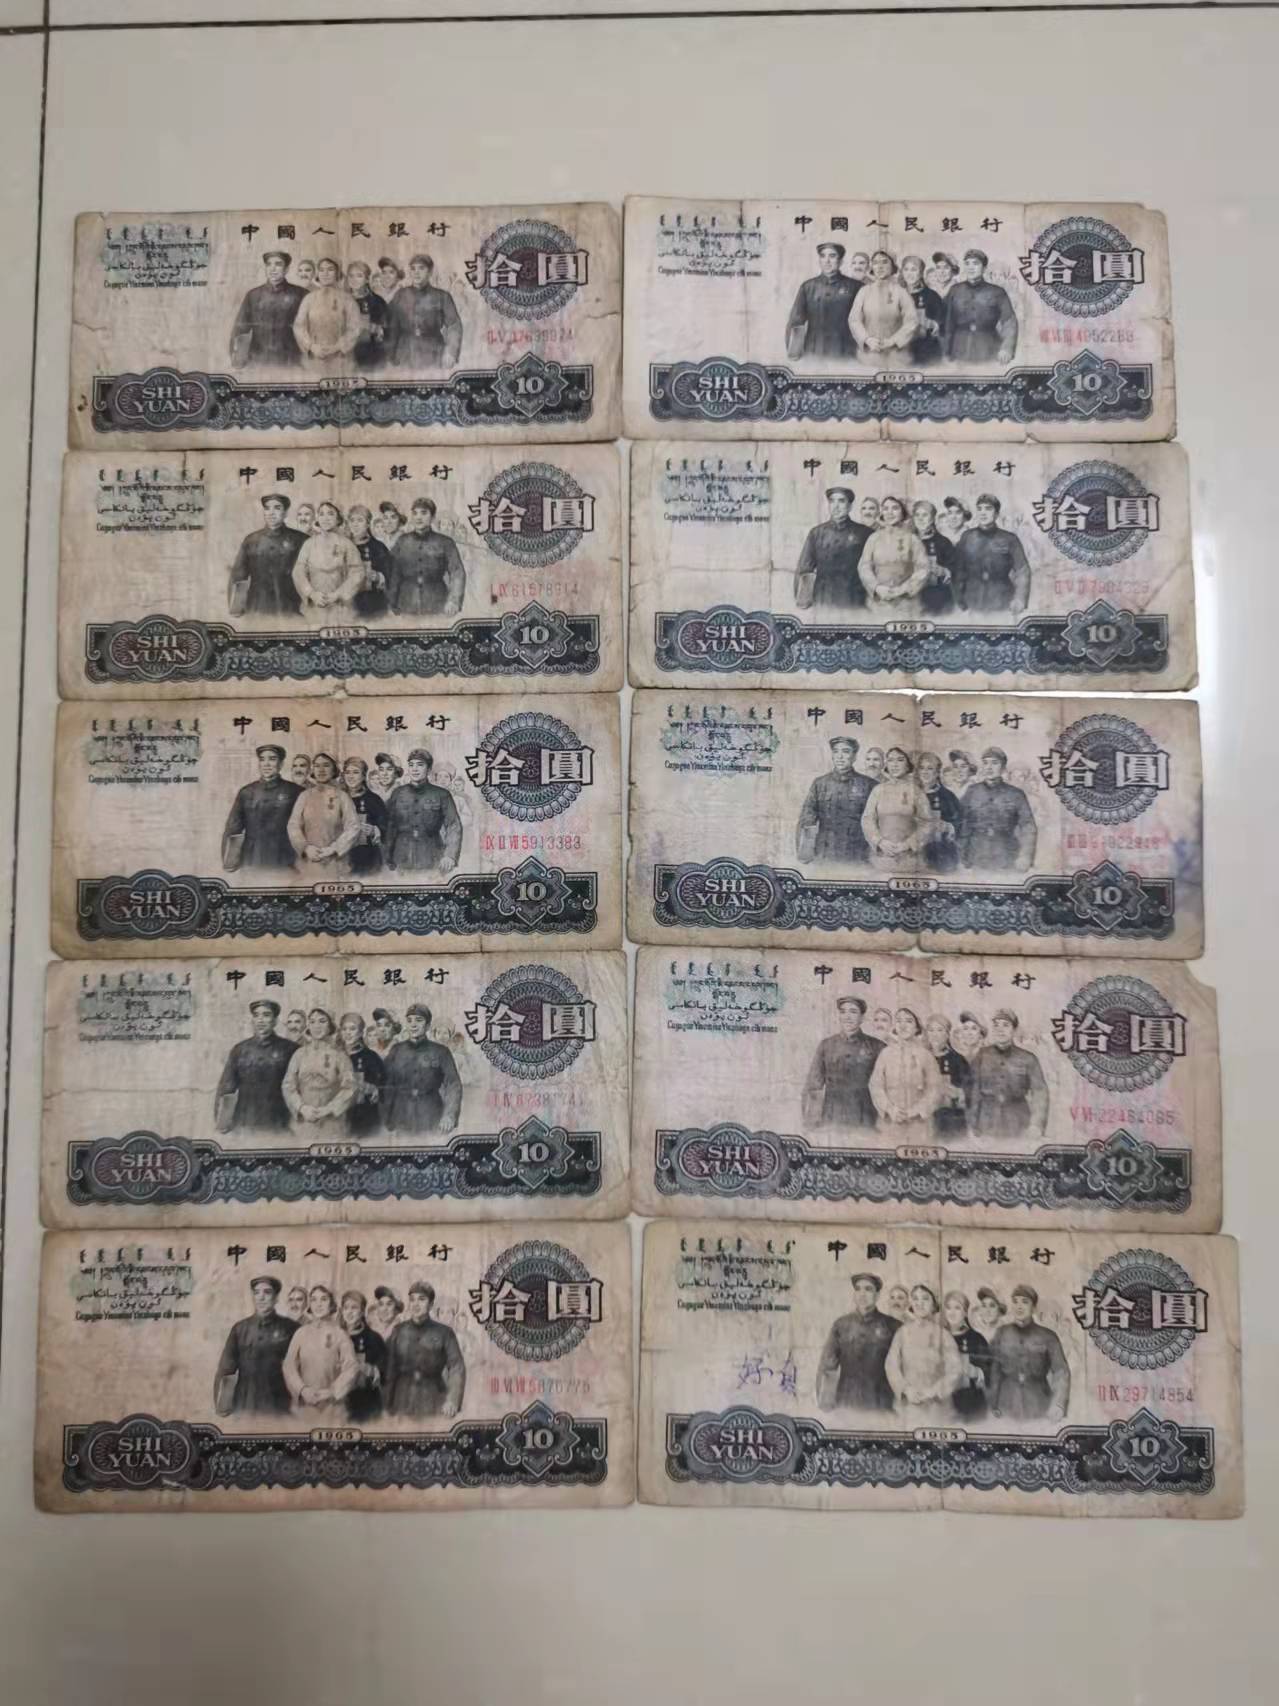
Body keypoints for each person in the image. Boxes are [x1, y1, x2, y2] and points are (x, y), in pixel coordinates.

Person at [213, 1275, 298, 1417]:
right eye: (257, 1293)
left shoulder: (291, 1328)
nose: (261, 1297)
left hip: (279, 1405)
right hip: (245, 1403)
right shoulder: (240, 1328)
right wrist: (221, 1404)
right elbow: (225, 1369)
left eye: (267, 1292)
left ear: (276, 1298)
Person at [884, 1284, 966, 1424]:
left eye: (925, 1298)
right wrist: (906, 1389)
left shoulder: (944, 1335)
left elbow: (955, 1369)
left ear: (934, 1304)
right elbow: (891, 1365)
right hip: (908, 1406)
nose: (919, 1303)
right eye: (915, 1298)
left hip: (937, 1408)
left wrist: (933, 1391)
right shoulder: (902, 1333)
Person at [801, 995, 885, 1131]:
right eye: (843, 1012)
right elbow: (813, 1086)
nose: (847, 1017)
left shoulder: (878, 1046)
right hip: (832, 1116)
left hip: (866, 1117)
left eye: (853, 1012)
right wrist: (811, 1122)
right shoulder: (826, 1045)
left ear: (862, 1017)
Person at [383, 1281, 466, 1419]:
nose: (415, 1304)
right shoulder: (398, 1331)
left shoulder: (445, 1333)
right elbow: (389, 1369)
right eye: (412, 1300)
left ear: (431, 1304)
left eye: (421, 1299)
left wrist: (452, 1400)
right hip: (401, 1399)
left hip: (434, 1398)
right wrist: (385, 1404)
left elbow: (456, 1367)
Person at [987, 1285, 1070, 1422]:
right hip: (1006, 1402)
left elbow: (1061, 1371)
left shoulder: (1048, 1336)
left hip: (1039, 1402)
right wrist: (992, 1404)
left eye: (1025, 1302)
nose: (1019, 1306)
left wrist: (1058, 1404)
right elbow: (994, 1371)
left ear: (1034, 1308)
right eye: (1015, 1302)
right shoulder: (1001, 1333)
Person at [214, 998, 298, 1133]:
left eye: (266, 1015)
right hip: (245, 1121)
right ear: (252, 1020)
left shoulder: (290, 1049)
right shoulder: (240, 1049)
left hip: (279, 1121)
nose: (260, 1020)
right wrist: (221, 1122)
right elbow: (226, 1088)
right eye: (256, 1015)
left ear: (275, 1021)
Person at [816, 1273, 898, 1413]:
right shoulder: (841, 1324)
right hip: (847, 1400)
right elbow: (827, 1366)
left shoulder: (893, 1325)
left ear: (877, 1295)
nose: (862, 1294)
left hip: (882, 1402)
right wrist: (826, 1403)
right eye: (858, 1289)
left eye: (868, 1289)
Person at [967, 1009, 1050, 1141]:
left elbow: (1040, 1092)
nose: (1000, 1030)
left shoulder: (1028, 1058)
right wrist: (971, 1126)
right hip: (986, 1122)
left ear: (1014, 1030)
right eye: (996, 1025)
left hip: (1018, 1121)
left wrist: (1036, 1125)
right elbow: (973, 1092)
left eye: (1005, 1025)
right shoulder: (981, 1056)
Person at [381, 1003, 463, 1137]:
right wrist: (386, 1118)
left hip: (431, 1114)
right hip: (401, 1115)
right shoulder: (396, 1050)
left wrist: (449, 1115)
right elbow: (385, 1084)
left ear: (428, 1025)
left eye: (419, 1020)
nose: (413, 1025)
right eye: (409, 1021)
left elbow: (453, 1084)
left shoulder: (441, 1051)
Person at [282, 1284, 360, 1418]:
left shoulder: (340, 1334)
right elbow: (289, 1366)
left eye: (324, 1299)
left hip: (332, 1407)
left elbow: (351, 1367)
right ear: (309, 1305)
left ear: (331, 1304)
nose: (318, 1304)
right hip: (305, 1406)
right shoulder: (301, 1333)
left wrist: (332, 1391)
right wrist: (302, 1389)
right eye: (314, 1299)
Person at [795, 735, 875, 865]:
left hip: (858, 854)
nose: (840, 756)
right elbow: (807, 819)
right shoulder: (820, 783)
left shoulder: (869, 784)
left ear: (854, 756)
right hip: (825, 853)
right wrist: (805, 853)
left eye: (846, 751)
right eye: (836, 751)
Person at [222, 744, 302, 873]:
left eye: (272, 759)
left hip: (284, 859)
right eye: (262, 759)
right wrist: (228, 862)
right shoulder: (246, 792)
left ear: (281, 764)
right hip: (252, 858)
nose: (266, 764)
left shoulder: (295, 791)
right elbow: (232, 828)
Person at [281, 1008, 358, 1141]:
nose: (317, 1026)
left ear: (330, 1026)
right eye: (312, 1022)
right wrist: (302, 1108)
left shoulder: (340, 1056)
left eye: (322, 1021)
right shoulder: (299, 1054)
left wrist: (327, 1110)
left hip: (332, 1123)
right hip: (304, 1122)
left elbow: (350, 1088)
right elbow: (288, 1086)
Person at [381, 749, 462, 874]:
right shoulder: (398, 793)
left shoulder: (442, 794)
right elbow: (390, 827)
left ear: (428, 770)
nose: (415, 769)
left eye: (420, 765)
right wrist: (387, 857)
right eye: (411, 765)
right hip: (400, 858)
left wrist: (450, 855)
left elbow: (453, 825)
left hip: (432, 857)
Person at [792, 485, 872, 611]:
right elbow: (804, 569)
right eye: (832, 501)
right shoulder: (817, 533)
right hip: (824, 597)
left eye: (841, 501)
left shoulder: (865, 533)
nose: (836, 506)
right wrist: (802, 599)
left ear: (850, 506)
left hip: (854, 598)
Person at [956, 747, 1037, 871]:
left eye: (994, 763)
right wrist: (960, 856)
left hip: (1006, 855)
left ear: (1003, 767)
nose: (989, 767)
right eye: (985, 763)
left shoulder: (1016, 794)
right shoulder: (972, 791)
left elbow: (1028, 827)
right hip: (975, 856)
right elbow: (960, 823)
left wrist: (1025, 856)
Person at [950, 494, 1032, 614]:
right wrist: (958, 601)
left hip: (1002, 600)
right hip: (971, 600)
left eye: (988, 509)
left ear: (997, 514)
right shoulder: (967, 537)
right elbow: (958, 571)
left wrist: (1020, 599)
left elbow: (1022, 570)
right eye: (979, 509)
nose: (983, 513)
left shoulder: (1010, 539)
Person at [868, 1007, 944, 1136]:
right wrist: (891, 1110)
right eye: (899, 1021)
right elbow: (876, 1086)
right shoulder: (885, 1054)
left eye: (908, 1021)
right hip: (890, 1123)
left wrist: (915, 1111)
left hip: (919, 1124)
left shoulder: (926, 1055)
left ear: (917, 1028)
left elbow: (935, 1089)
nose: (903, 1026)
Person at [228, 493, 306, 617]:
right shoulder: (251, 540)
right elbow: (238, 576)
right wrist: (236, 608)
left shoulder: (301, 539)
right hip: (257, 607)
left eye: (277, 508)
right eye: (267, 508)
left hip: (291, 608)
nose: (271, 513)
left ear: (285, 513)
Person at [386, 498, 466, 616]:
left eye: (424, 513)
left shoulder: (446, 542)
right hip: (405, 604)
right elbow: (393, 574)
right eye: (415, 513)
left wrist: (453, 601)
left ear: (432, 517)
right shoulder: (402, 541)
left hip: (437, 604)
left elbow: (457, 572)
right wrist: (390, 604)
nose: (418, 517)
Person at [287, 751, 362, 878]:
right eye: (317, 765)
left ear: (334, 770)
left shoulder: (342, 796)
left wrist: (333, 849)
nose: (321, 770)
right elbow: (293, 825)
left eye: (326, 765)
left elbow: (353, 826)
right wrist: (305, 848)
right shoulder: (304, 796)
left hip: (335, 864)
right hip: (308, 863)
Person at [228, 250, 307, 368]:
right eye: (269, 264)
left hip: (291, 361)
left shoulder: (301, 294)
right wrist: (235, 357)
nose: (272, 268)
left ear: (286, 269)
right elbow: (239, 329)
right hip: (258, 361)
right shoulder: (253, 295)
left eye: (278, 264)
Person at [291, 501, 365, 622]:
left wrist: (338, 594)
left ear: (338, 518)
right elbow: (298, 571)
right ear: (317, 518)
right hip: (315, 605)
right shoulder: (309, 544)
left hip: (340, 606)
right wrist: (311, 593)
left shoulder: (347, 544)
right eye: (321, 514)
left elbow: (357, 572)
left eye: (330, 514)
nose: (325, 518)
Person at [858, 494, 932, 615]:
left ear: (903, 512)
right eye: (886, 508)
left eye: (895, 508)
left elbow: (923, 568)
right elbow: (864, 566)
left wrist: (902, 590)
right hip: (878, 603)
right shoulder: (873, 538)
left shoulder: (912, 539)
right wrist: (877, 587)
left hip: (906, 604)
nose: (889, 512)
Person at [785, 241, 860, 360]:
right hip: (814, 350)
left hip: (846, 351)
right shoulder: (808, 287)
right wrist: (794, 353)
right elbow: (796, 322)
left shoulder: (855, 286)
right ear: (819, 260)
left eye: (832, 256)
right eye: (823, 256)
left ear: (840, 261)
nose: (827, 261)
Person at [386, 253, 462, 369]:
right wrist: (389, 355)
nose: (416, 272)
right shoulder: (400, 295)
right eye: (413, 269)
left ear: (430, 272)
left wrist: (451, 352)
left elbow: (454, 325)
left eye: (421, 268)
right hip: (404, 353)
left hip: (433, 352)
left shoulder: (442, 296)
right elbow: (392, 327)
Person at [861, 746, 933, 870]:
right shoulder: (878, 790)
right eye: (890, 760)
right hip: (881, 857)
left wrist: (908, 844)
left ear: (908, 765)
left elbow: (927, 823)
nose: (894, 765)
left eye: (900, 760)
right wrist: (880, 842)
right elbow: (867, 819)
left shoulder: (916, 791)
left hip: (910, 858)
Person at [943, 247, 1018, 364]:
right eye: (967, 263)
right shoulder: (955, 290)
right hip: (958, 349)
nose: (971, 267)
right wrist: (945, 352)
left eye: (975, 263)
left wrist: (1006, 348)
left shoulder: (997, 292)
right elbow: (947, 322)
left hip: (988, 348)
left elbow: (1009, 321)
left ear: (984, 268)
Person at [291, 255, 362, 373]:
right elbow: (299, 326)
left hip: (341, 359)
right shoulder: (309, 299)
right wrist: (311, 346)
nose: (325, 273)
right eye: (322, 270)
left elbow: (354, 328)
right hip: (314, 359)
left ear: (337, 273)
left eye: (330, 269)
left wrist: (337, 347)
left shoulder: (348, 300)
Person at [850, 251, 918, 368]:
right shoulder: (864, 291)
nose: (880, 267)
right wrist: (867, 339)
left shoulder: (901, 292)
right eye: (876, 263)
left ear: (893, 266)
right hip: (869, 354)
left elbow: (912, 321)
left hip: (896, 355)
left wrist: (893, 341)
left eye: (884, 262)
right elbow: (854, 320)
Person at [339, 1290, 387, 1425]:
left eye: (354, 1308)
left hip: (365, 1403)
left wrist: (372, 1370)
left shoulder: (374, 1338)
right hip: (338, 1403)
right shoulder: (334, 1336)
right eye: (346, 1308)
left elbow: (385, 1369)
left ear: (362, 1312)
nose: (349, 1312)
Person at [943, 1291, 992, 1422]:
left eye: (957, 1308)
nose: (952, 1312)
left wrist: (977, 1372)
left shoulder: (976, 1338)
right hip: (942, 1401)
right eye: (948, 1307)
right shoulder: (938, 1336)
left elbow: (990, 1370)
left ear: (965, 1312)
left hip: (970, 1401)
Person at [339, 1011, 385, 1138]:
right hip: (338, 1116)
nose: (348, 1033)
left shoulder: (371, 1057)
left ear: (360, 1032)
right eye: (344, 1029)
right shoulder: (334, 1055)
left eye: (352, 1029)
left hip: (364, 1117)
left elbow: (382, 1086)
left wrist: (373, 1089)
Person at [925, 1014, 970, 1140]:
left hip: (950, 1119)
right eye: (931, 1030)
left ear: (947, 1034)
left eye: (940, 1030)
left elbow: (969, 1090)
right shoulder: (919, 1057)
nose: (935, 1034)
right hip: (923, 1118)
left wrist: (957, 1093)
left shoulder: (958, 1060)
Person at [341, 757, 387, 877]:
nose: (351, 776)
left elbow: (386, 826)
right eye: (347, 772)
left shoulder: (374, 800)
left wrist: (375, 830)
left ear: (363, 776)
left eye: (355, 772)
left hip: (366, 857)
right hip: (340, 856)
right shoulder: (336, 798)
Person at [916, 751, 961, 872]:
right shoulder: (911, 793)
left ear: (937, 772)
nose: (925, 772)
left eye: (930, 768)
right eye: (922, 768)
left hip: (938, 853)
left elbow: (959, 822)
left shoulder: (948, 796)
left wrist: (948, 826)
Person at [911, 500, 956, 617]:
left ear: (932, 519)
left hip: (936, 599)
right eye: (917, 515)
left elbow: (955, 568)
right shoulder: (906, 540)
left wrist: (944, 571)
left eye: (925, 515)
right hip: (910, 598)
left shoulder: (943, 542)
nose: (920, 519)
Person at [899, 254, 945, 367]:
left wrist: (934, 324)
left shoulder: (932, 296)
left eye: (914, 270)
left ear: (920, 273)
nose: (909, 273)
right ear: (902, 272)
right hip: (899, 351)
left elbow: (942, 322)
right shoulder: (896, 294)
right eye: (906, 269)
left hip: (925, 351)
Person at [346, 504, 391, 620]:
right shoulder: (342, 546)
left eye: (360, 520)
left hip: (372, 603)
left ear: (367, 524)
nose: (355, 524)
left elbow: (391, 574)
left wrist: (379, 577)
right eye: (352, 520)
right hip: (347, 603)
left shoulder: (378, 547)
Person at [346, 259, 389, 370]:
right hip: (344, 353)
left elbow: (383, 330)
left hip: (369, 353)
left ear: (366, 279)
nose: (354, 280)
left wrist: (366, 326)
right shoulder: (341, 299)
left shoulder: (377, 301)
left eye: (359, 276)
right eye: (351, 276)